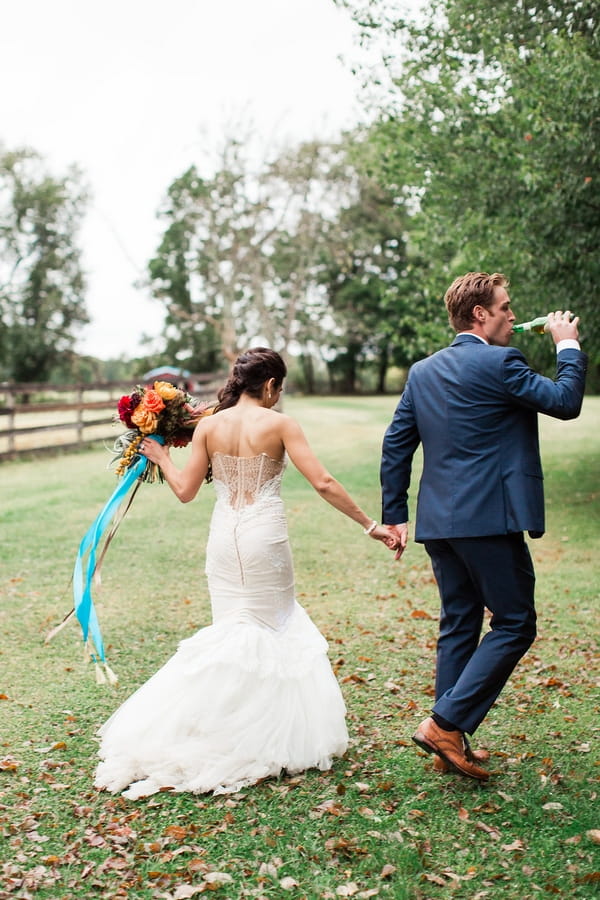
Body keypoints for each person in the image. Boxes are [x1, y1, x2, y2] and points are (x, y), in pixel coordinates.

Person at [95, 347, 398, 799]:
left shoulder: (211, 426)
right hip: (264, 538)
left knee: (232, 631)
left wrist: (161, 458)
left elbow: (185, 491)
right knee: (272, 629)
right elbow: (324, 482)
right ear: (271, 385)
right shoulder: (280, 425)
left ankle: (216, 725)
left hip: (223, 539)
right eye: (281, 387)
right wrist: (370, 525)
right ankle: (257, 735)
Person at [380, 272, 587, 780]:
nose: (514, 317)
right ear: (480, 314)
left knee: (459, 622)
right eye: (506, 307)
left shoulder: (423, 371)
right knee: (516, 622)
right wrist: (568, 346)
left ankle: (449, 740)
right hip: (488, 519)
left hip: (439, 523)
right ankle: (445, 723)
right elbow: (565, 403)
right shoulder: (502, 362)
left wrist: (395, 514)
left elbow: (396, 444)